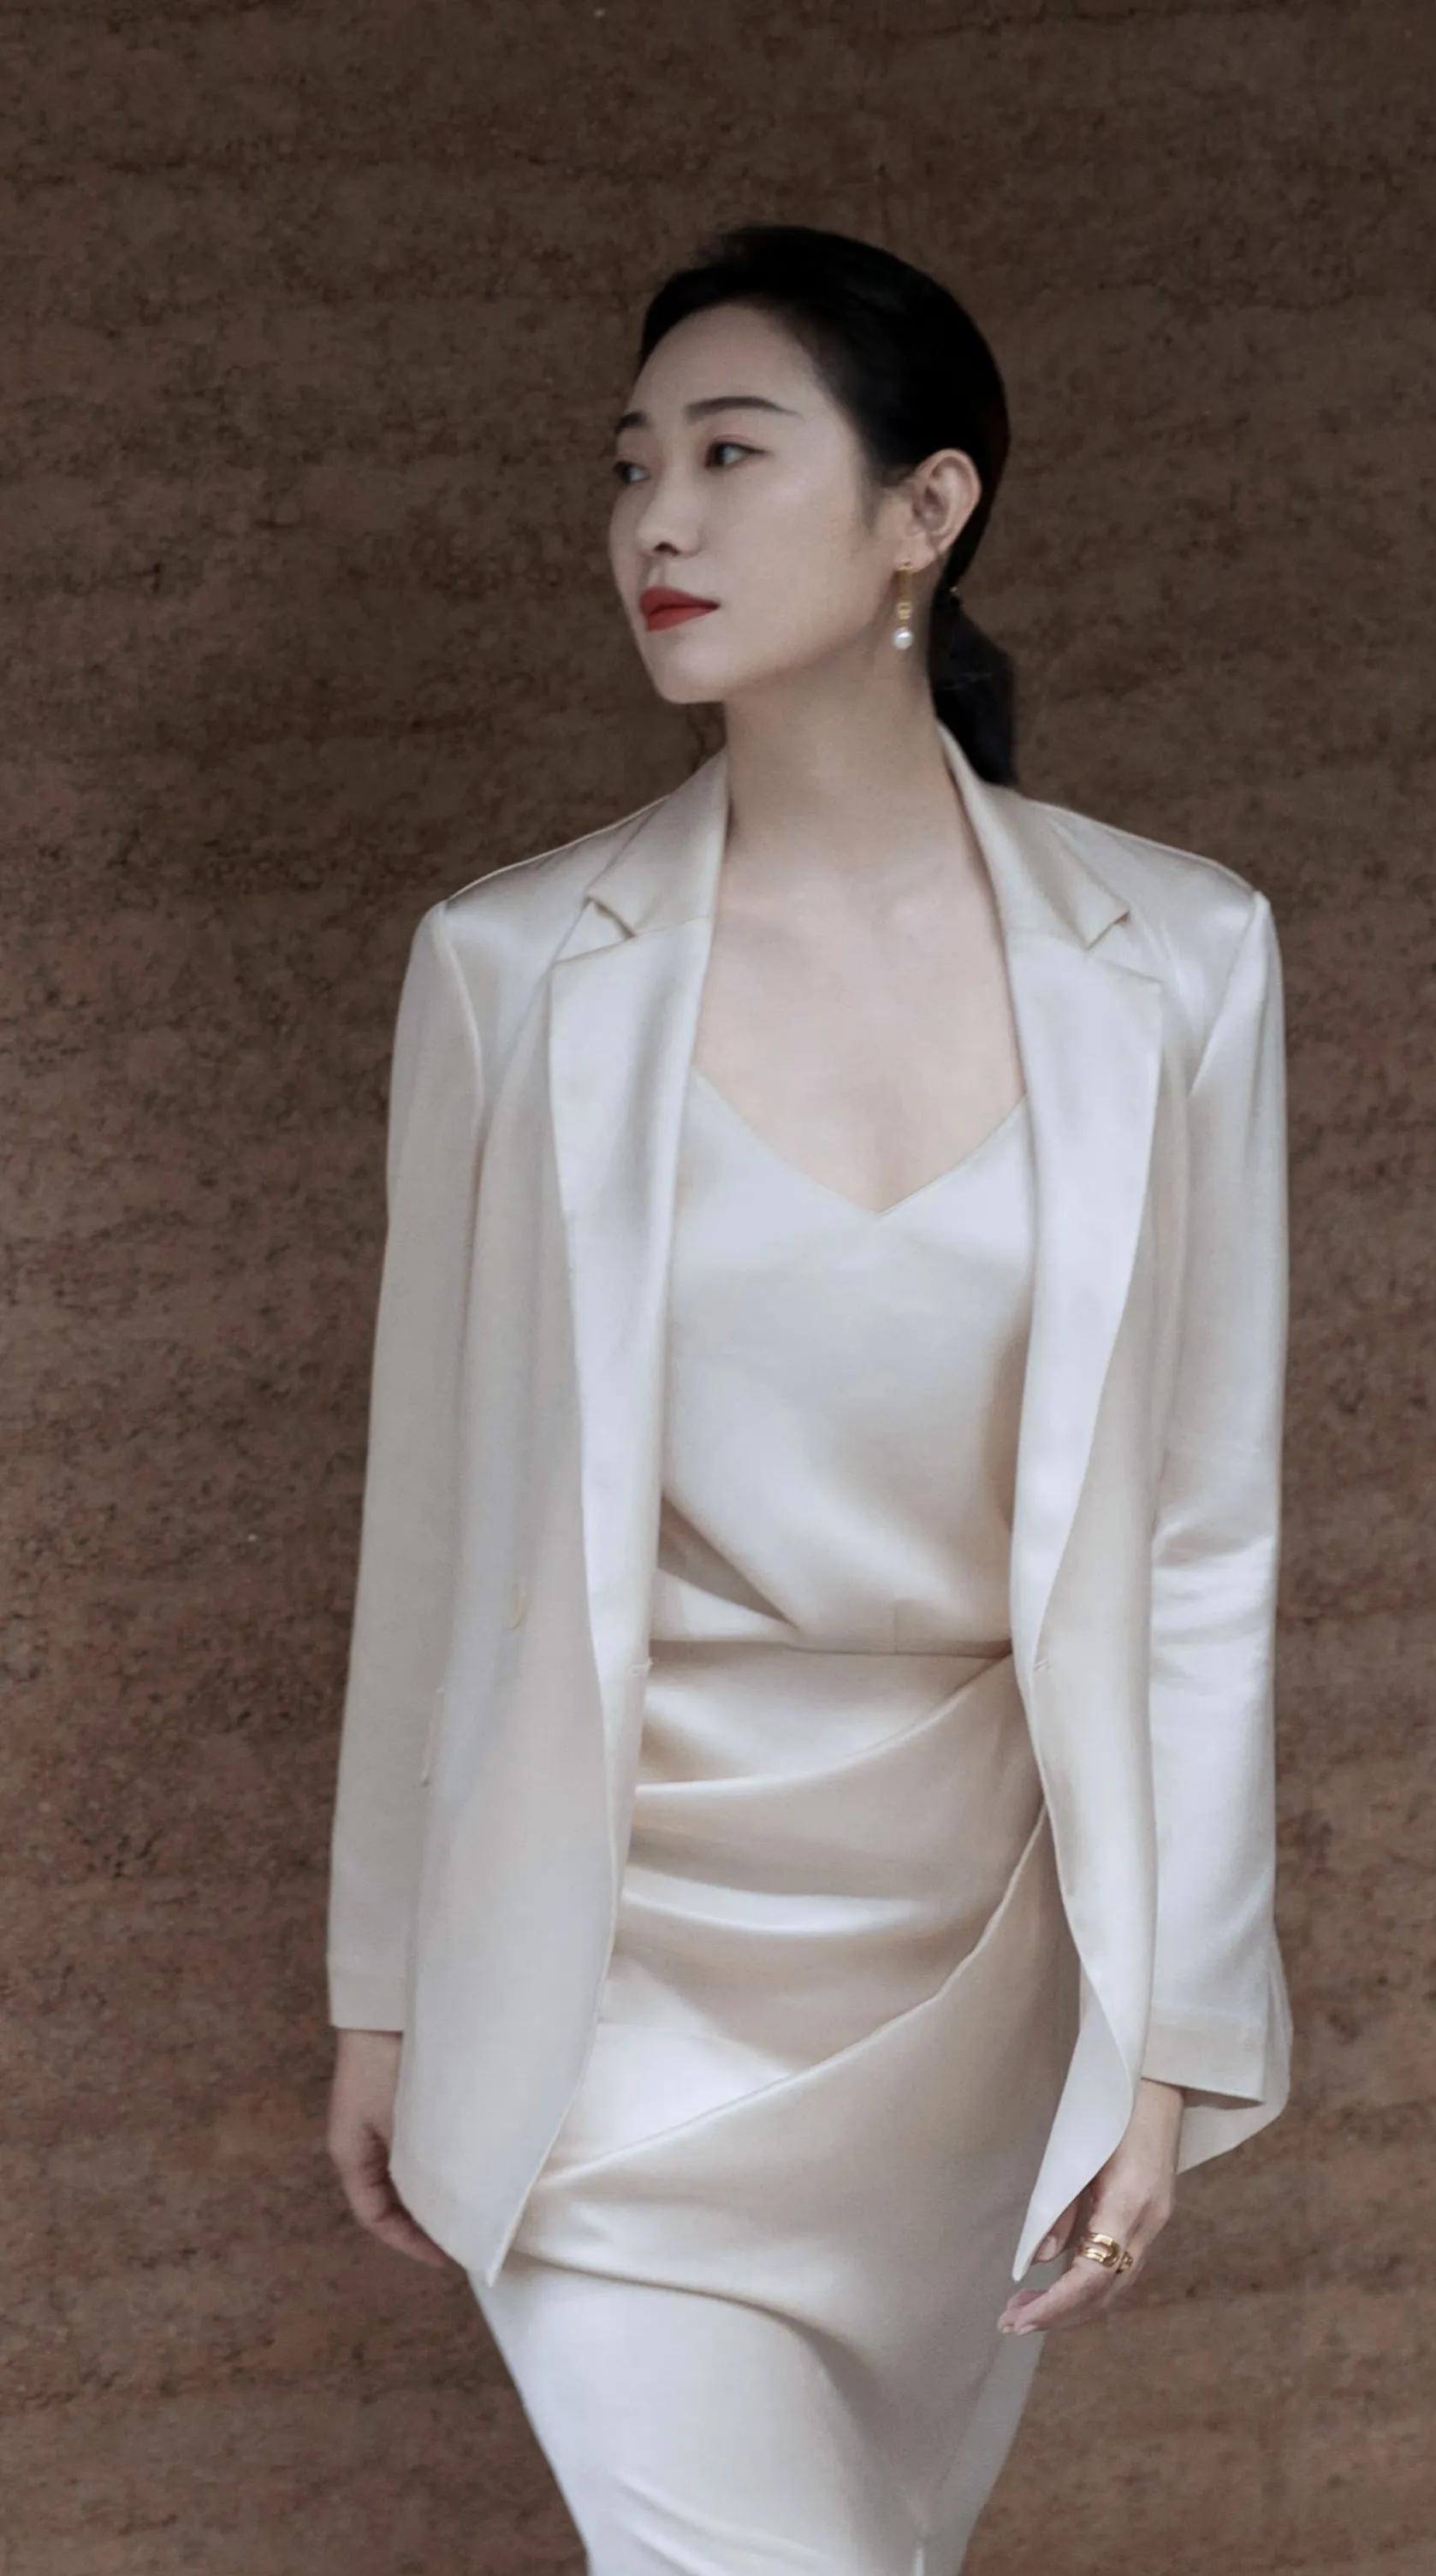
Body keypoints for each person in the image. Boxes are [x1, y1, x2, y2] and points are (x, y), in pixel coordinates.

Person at [325, 222, 1292, 2574]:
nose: (654, 520)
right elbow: (431, 1519)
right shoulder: (513, 969)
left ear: (923, 510)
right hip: (604, 1984)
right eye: (629, 464)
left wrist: (1169, 2037)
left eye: (730, 454)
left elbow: (1201, 1540)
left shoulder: (1178, 960)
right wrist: (383, 1984)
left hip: (983, 1993)